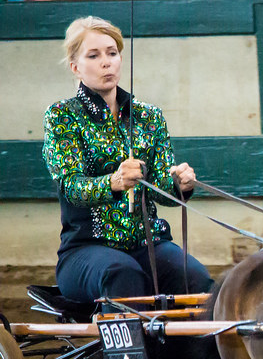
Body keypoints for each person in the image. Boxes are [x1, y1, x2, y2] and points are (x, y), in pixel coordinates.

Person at [42, 16, 212, 307]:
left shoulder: (149, 116)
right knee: (123, 274)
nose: (106, 62)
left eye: (112, 53)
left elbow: (165, 193)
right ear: (76, 67)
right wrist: (114, 182)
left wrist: (180, 184)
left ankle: (194, 353)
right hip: (85, 250)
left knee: (195, 277)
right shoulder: (61, 116)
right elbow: (71, 186)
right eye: (93, 56)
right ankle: (131, 355)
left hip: (148, 244)